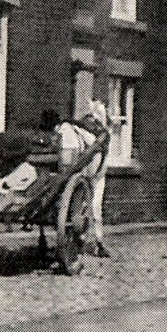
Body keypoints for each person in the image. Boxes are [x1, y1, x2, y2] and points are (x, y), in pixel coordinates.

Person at [56, 101, 110, 257]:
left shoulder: (70, 130)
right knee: (94, 205)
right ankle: (95, 241)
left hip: (79, 173)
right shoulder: (98, 136)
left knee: (91, 205)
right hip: (86, 175)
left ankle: (90, 239)